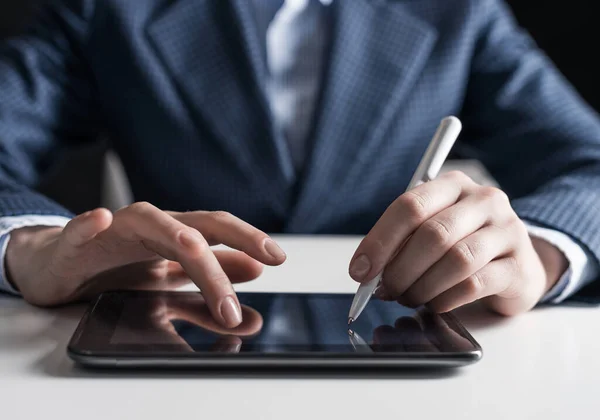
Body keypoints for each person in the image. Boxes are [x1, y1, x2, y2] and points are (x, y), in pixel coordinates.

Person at [1, 0, 599, 329]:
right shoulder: (106, 10)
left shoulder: (460, 13)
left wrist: (542, 255)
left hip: (395, 342)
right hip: (181, 350)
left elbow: (590, 164)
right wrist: (27, 247)